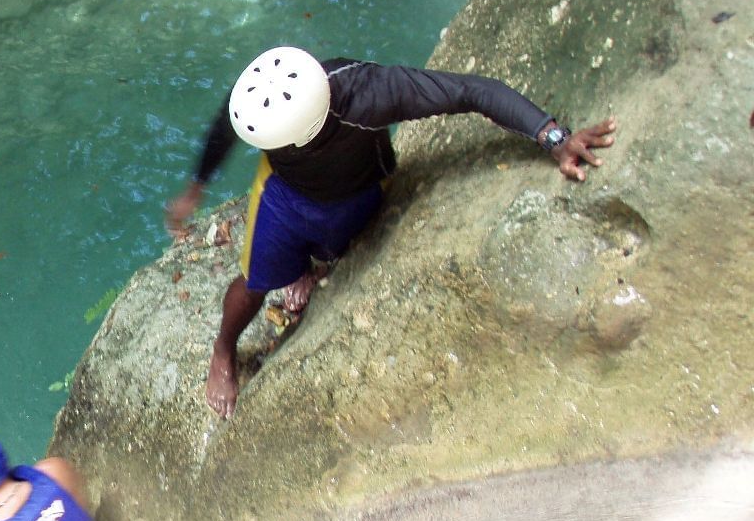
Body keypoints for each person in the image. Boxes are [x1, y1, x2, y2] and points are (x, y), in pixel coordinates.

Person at [163, 46, 619, 418]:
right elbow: (229, 119)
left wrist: (554, 138)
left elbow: (470, 90)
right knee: (256, 282)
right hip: (287, 195)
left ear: (300, 135)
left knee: (337, 245)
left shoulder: (370, 93)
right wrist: (195, 187)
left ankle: (305, 265)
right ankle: (224, 349)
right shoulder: (267, 95)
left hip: (362, 183)